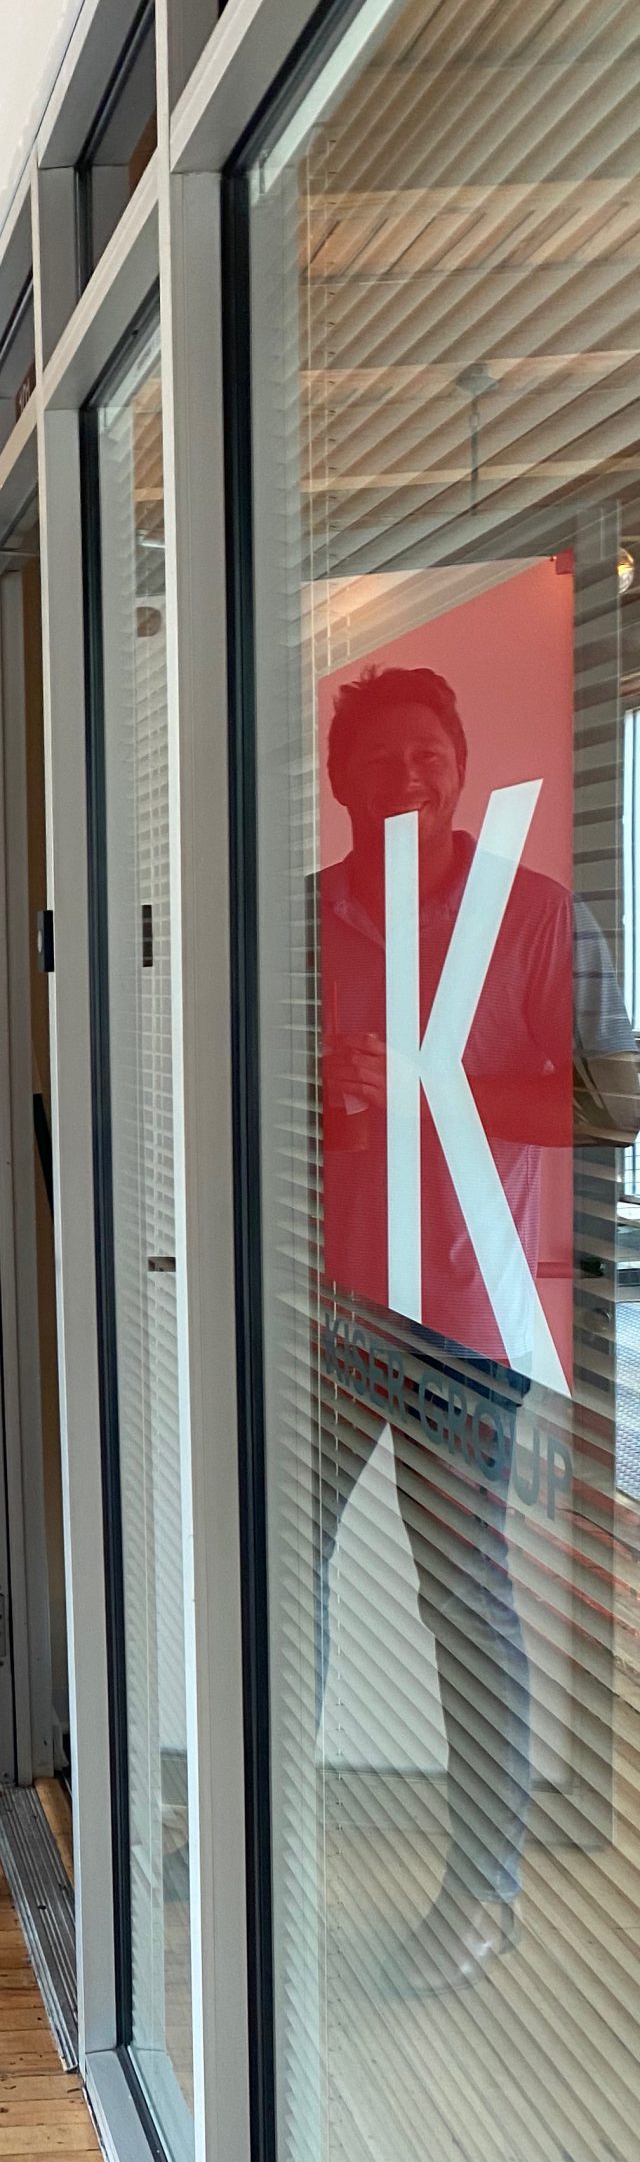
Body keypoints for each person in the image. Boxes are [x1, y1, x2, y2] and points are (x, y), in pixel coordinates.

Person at [316, 663, 639, 1993]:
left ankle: (486, 1894)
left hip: (463, 1315)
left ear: (458, 766)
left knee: (463, 1597)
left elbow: (619, 1107)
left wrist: (434, 1090)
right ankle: (268, 1839)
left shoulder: (540, 914)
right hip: (318, 1307)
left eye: (428, 757)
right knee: (273, 1576)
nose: (408, 780)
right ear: (340, 781)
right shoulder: (302, 919)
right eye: (382, 760)